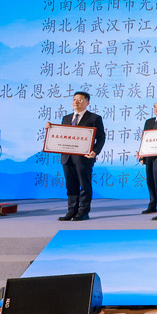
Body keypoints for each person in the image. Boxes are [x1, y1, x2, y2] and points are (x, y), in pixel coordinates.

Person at [50, 90, 106, 221]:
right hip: (67, 157)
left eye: (80, 100)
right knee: (71, 185)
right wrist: (51, 128)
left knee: (84, 185)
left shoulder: (94, 118)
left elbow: (101, 137)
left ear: (87, 103)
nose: (76, 102)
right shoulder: (66, 118)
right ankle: (71, 211)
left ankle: (83, 212)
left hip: (84, 158)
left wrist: (95, 151)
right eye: (74, 99)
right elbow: (62, 135)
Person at [140, 100, 157, 214]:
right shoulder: (149, 122)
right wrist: (142, 155)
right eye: (155, 107)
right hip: (149, 155)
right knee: (150, 181)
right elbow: (145, 138)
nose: (156, 109)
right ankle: (152, 205)